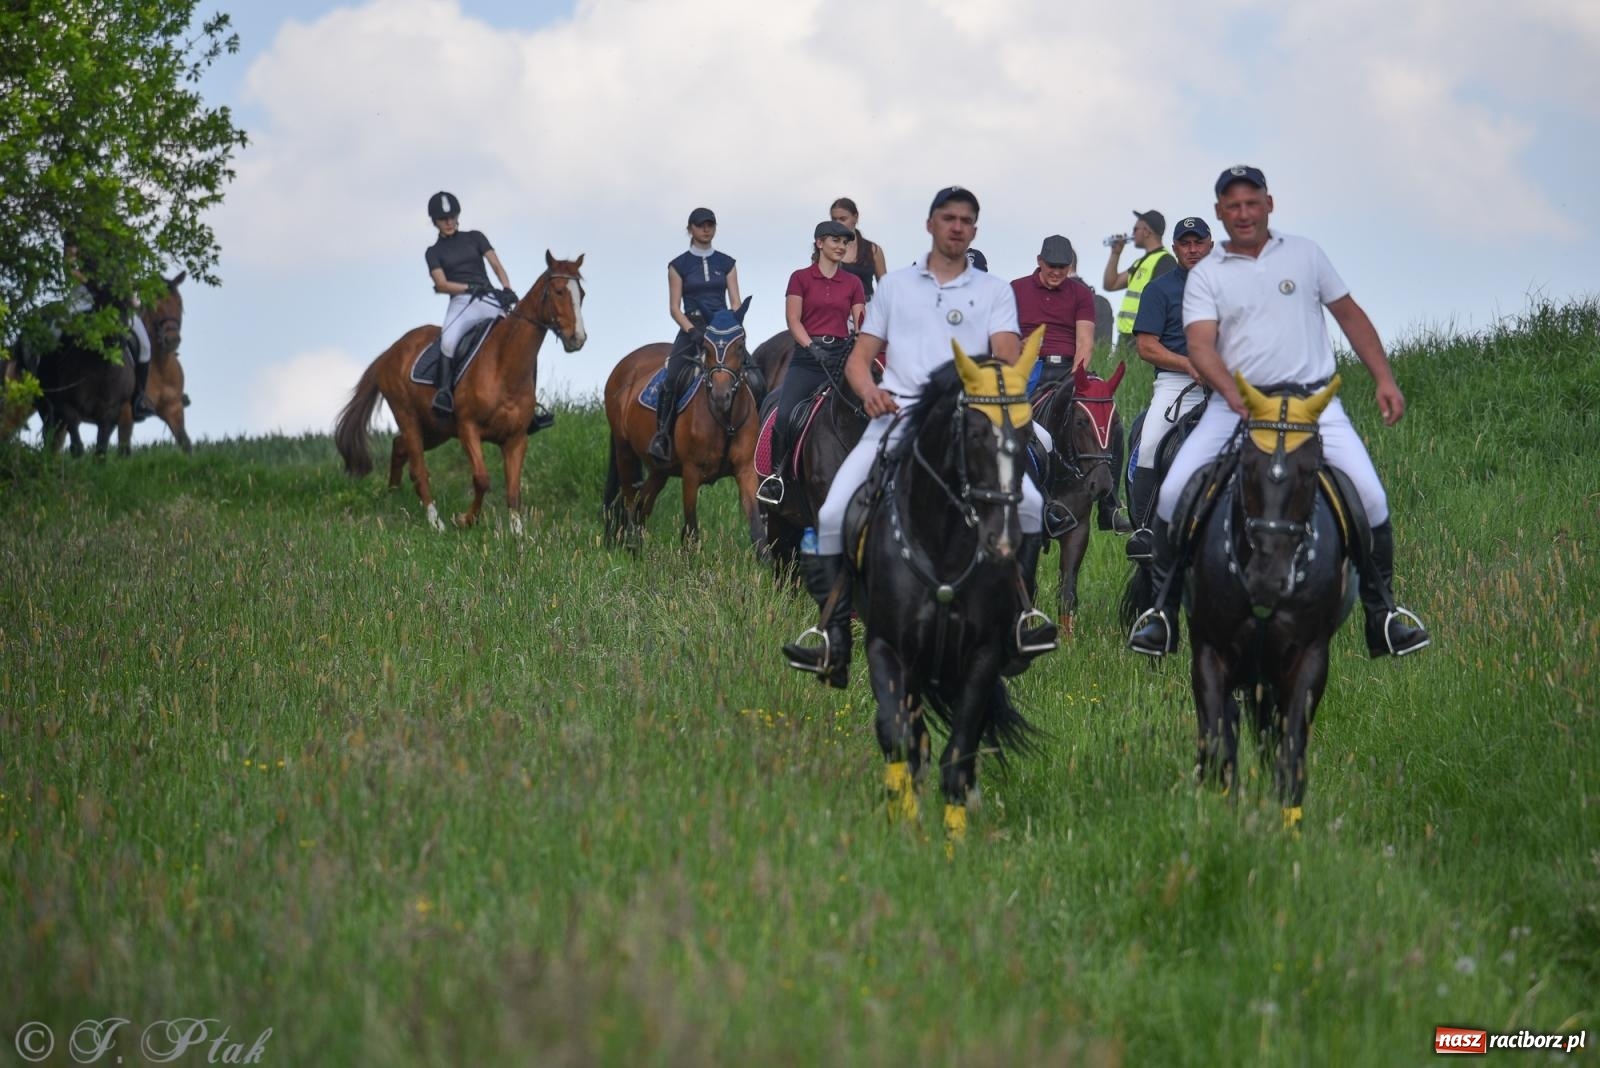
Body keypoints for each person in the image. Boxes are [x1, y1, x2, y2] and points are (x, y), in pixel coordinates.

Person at [1128, 165, 1430, 659]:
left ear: (1269, 204)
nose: (1243, 213)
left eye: (1252, 203)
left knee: (1372, 498)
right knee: (1174, 492)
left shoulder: (1307, 255)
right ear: (1219, 212)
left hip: (1313, 404)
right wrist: (1232, 395)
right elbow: (1200, 346)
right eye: (1232, 205)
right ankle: (1161, 613)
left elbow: (1349, 315)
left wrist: (1384, 377)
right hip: (1236, 406)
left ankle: (1385, 613)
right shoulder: (1205, 274)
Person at [782, 186, 1056, 687]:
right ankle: (832, 636)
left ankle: (1020, 618)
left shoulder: (995, 291)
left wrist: (998, 369)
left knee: (1033, 504)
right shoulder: (895, 287)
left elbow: (1005, 350)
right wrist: (867, 392)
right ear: (931, 224)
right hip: (898, 414)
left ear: (974, 229)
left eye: (967, 220)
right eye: (948, 218)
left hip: (968, 420)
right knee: (830, 513)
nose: (957, 227)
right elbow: (861, 360)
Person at [759, 220, 867, 505]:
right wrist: (810, 346)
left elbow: (861, 318)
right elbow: (793, 320)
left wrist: (862, 339)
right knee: (784, 416)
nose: (841, 247)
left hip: (842, 358)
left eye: (845, 242)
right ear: (819, 243)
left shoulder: (853, 283)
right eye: (835, 241)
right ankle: (777, 476)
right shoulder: (800, 278)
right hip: (808, 360)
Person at [1125, 216, 1214, 558]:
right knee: (1150, 445)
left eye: (1198, 242)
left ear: (1210, 245)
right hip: (1176, 382)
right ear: (1175, 247)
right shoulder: (1159, 289)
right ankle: (1145, 529)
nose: (1193, 249)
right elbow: (1147, 346)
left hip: (1224, 382)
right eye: (1186, 243)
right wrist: (1189, 364)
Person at [650, 207, 741, 464]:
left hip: (722, 329)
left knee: (753, 374)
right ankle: (663, 436)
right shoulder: (678, 265)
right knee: (673, 377)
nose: (705, 229)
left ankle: (752, 435)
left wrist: (733, 326)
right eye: (700, 225)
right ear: (690, 229)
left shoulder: (727, 263)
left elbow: (735, 301)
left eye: (710, 224)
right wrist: (692, 331)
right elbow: (673, 307)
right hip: (692, 328)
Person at [424, 191, 515, 417]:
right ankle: (445, 392)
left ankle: (528, 399)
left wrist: (507, 288)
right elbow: (441, 284)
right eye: (443, 219)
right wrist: (467, 288)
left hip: (490, 297)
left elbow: (496, 265)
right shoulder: (434, 252)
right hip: (462, 302)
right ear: (435, 222)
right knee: (448, 339)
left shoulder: (475, 237)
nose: (448, 222)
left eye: (452, 217)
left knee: (516, 336)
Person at [1011, 234, 1096, 393]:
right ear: (1039, 261)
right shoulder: (1016, 288)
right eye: (1051, 266)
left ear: (1070, 265)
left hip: (1066, 369)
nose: (1056, 272)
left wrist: (1073, 379)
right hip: (1025, 367)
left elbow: (1085, 342)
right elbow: (1004, 336)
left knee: (1099, 403)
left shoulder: (1082, 293)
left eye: (1062, 267)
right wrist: (1019, 345)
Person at [1103, 209, 1175, 353]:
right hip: (1126, 338)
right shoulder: (1140, 262)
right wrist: (1115, 253)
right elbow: (1110, 284)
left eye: (1135, 229)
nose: (1132, 233)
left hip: (1143, 337)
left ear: (1147, 231)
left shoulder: (1165, 261)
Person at [830, 197, 888, 302]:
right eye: (834, 219)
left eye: (843, 219)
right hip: (836, 309)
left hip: (866, 309)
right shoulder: (826, 249)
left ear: (855, 217)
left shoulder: (873, 250)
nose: (837, 223)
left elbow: (885, 288)